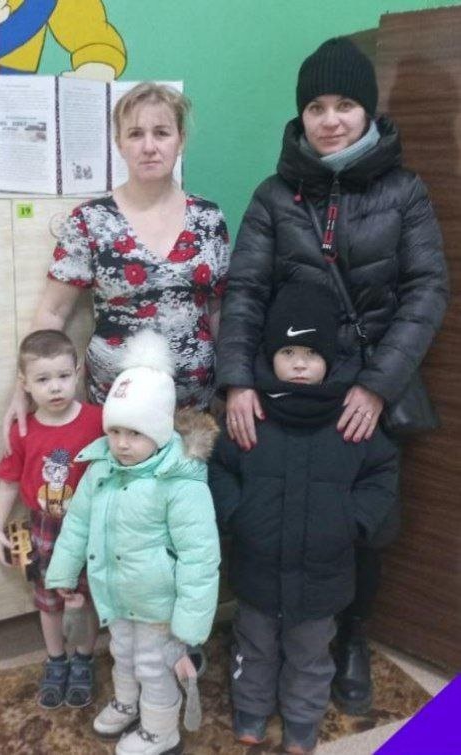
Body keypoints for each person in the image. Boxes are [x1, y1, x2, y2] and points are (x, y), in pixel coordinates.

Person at [216, 37, 448, 715]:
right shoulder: (273, 195)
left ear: (367, 110)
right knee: (277, 510)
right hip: (288, 386)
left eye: (344, 104)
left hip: (365, 388)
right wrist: (237, 380)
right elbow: (246, 292)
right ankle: (260, 637)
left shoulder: (405, 191)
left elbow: (427, 291)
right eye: (316, 106)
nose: (330, 119)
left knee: (360, 522)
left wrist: (377, 383)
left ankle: (350, 637)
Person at [210, 282, 399, 753]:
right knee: (253, 646)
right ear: (270, 354)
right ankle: (251, 708)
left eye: (311, 353)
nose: (299, 363)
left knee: (311, 654)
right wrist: (236, 514)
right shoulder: (249, 414)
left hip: (324, 574)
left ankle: (302, 719)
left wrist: (354, 521)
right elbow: (219, 468)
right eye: (288, 351)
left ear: (329, 358)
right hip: (257, 567)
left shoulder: (351, 417)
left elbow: (381, 471)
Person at [3, 82, 230, 449]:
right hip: (118, 413)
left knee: (187, 487)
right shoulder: (90, 220)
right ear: (119, 143)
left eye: (161, 132)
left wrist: (232, 386)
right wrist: (23, 388)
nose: (149, 146)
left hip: (193, 411)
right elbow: (53, 312)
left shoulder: (208, 218)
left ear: (180, 140)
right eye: (135, 134)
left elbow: (219, 310)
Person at [45, 330, 220, 755]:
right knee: (122, 652)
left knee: (154, 666)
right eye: (116, 431)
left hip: (160, 605)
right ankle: (128, 704)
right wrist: (63, 571)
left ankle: (161, 731)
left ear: (159, 431)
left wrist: (190, 625)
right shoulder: (102, 468)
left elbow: (200, 557)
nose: (122, 444)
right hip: (117, 593)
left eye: (135, 433)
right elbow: (78, 523)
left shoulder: (180, 481)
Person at [0, 330, 103, 710]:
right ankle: (56, 660)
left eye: (63, 376)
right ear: (24, 383)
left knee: (85, 598)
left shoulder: (99, 421)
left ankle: (84, 659)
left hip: (88, 527)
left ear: (78, 371)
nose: (55, 387)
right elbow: (8, 482)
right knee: (48, 600)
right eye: (42, 379)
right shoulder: (22, 430)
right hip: (44, 528)